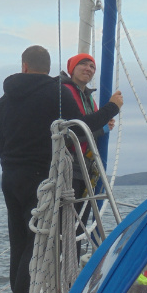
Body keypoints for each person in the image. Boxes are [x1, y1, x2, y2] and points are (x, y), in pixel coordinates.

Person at [0, 45, 122, 293]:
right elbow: (80, 128)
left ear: (24, 66)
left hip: (10, 175)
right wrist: (112, 107)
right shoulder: (57, 93)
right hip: (42, 175)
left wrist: (10, 163)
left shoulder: (4, 100)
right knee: (36, 240)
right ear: (49, 68)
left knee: (18, 238)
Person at [60, 53, 116, 256]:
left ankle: (72, 268)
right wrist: (104, 128)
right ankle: (65, 266)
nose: (88, 69)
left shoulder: (88, 98)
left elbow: (90, 125)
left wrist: (103, 125)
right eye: (83, 64)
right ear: (71, 69)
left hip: (85, 168)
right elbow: (75, 131)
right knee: (68, 225)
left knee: (79, 226)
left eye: (92, 66)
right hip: (69, 168)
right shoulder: (64, 92)